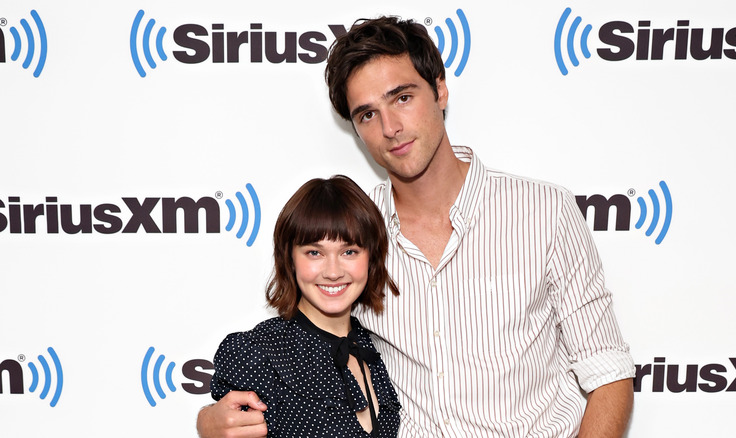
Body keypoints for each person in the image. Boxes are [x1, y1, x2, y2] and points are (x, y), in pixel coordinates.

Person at [198, 15, 635, 438]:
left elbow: (608, 374)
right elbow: (297, 346)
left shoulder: (545, 212)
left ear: (440, 90)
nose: (390, 128)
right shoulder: (353, 237)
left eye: (402, 98)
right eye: (367, 115)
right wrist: (210, 419)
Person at [209, 175, 401, 437]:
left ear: (371, 258)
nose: (333, 272)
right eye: (315, 252)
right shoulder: (259, 355)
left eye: (349, 252)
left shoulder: (374, 346)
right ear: (289, 259)